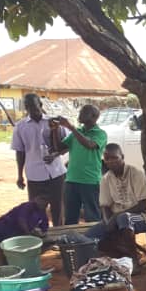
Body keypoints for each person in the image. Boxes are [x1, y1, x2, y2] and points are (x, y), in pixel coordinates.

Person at [11, 93, 67, 226]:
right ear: (25, 108)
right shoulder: (20, 127)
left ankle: (58, 237)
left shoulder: (53, 122)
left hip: (56, 173)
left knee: (58, 208)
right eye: (28, 107)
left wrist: (55, 155)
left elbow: (66, 146)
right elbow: (20, 152)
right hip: (35, 176)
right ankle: (41, 237)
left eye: (35, 106)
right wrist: (19, 175)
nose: (32, 110)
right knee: (36, 209)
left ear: (41, 106)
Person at [86, 144, 146, 242]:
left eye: (115, 158)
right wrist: (108, 223)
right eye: (107, 158)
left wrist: (116, 216)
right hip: (117, 219)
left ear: (122, 157)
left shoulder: (136, 173)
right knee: (90, 235)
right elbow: (105, 206)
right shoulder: (105, 179)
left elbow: (142, 206)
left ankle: (132, 256)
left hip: (143, 216)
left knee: (124, 218)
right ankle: (119, 254)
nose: (111, 161)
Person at [61, 104, 107, 224]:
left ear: (93, 117)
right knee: (70, 218)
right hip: (71, 180)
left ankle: (93, 242)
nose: (80, 114)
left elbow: (89, 145)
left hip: (90, 181)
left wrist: (72, 128)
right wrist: (54, 130)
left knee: (92, 218)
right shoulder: (77, 132)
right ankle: (71, 242)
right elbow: (59, 147)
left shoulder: (100, 134)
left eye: (83, 112)